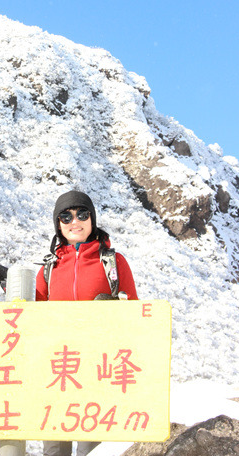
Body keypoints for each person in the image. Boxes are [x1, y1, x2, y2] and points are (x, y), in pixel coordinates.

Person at [36, 190, 138, 456]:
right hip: (58, 370)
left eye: (82, 214)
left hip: (99, 371)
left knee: (92, 449)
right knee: (54, 449)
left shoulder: (113, 263)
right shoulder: (49, 268)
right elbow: (30, 311)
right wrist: (5, 279)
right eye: (66, 216)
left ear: (92, 219)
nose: (75, 221)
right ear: (58, 224)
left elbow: (135, 315)